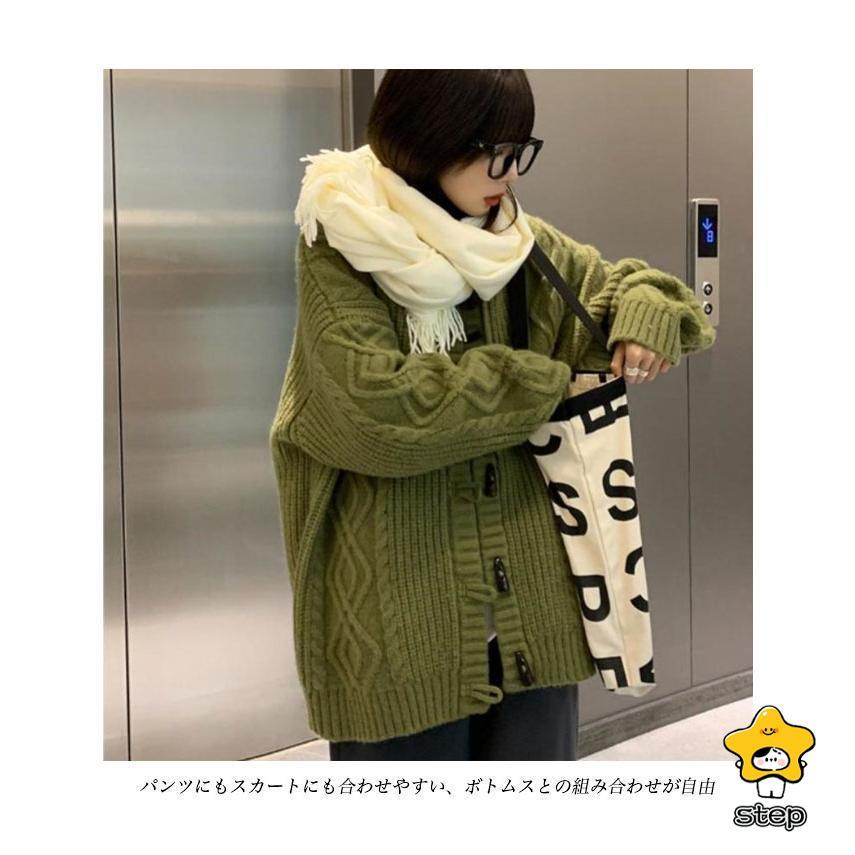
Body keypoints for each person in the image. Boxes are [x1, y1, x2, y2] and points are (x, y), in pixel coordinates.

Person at [269, 70, 716, 761]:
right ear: (428, 139)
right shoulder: (342, 242)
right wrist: (540, 381)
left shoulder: (515, 243)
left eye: (519, 151)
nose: (509, 174)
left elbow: (639, 289)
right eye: (493, 152)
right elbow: (377, 410)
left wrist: (646, 315)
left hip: (532, 615)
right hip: (400, 627)